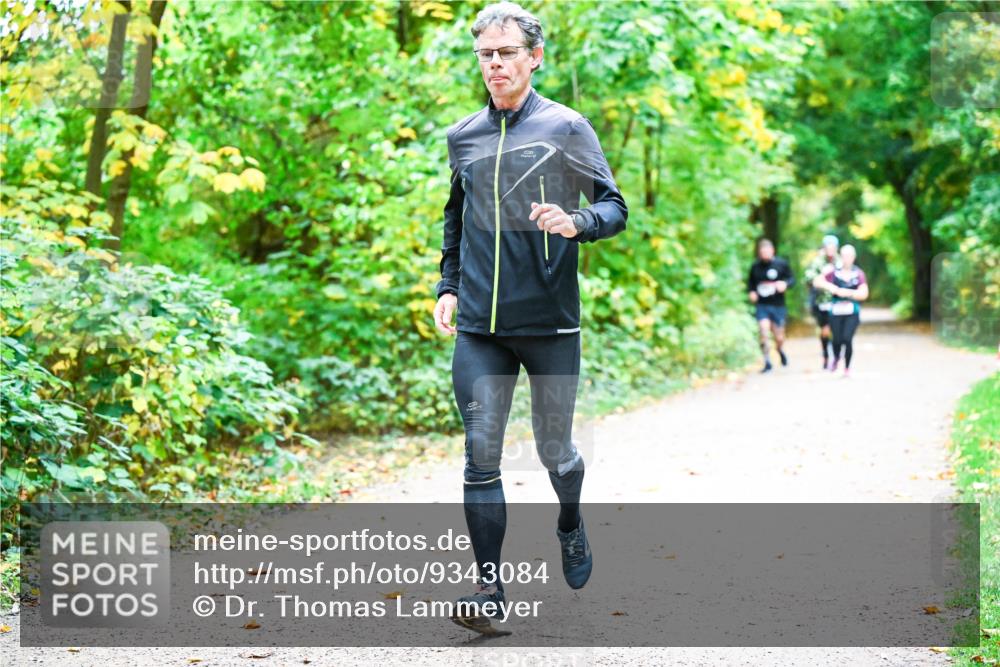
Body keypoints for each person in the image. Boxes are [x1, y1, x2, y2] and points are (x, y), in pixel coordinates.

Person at [431, 2, 627, 634]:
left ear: (534, 56)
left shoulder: (567, 128)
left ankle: (569, 521)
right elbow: (454, 218)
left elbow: (615, 207)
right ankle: (490, 597)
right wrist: (448, 285)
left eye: (507, 52)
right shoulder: (464, 135)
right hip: (480, 330)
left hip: (548, 324)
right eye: (485, 54)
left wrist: (578, 223)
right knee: (480, 454)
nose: (495, 64)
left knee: (553, 451)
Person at [812, 244, 869, 377]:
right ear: (840, 257)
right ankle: (836, 357)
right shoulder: (833, 272)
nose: (847, 259)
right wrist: (831, 288)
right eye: (844, 256)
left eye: (849, 256)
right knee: (837, 340)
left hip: (851, 312)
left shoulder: (858, 273)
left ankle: (847, 368)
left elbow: (864, 293)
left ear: (854, 257)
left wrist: (848, 292)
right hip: (835, 312)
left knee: (847, 339)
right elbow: (816, 281)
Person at [746, 238, 795, 373]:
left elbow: (792, 279)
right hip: (762, 306)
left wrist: (785, 284)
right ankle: (767, 361)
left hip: (778, 305)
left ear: (772, 251)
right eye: (762, 251)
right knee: (763, 331)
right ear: (759, 253)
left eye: (767, 251)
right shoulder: (755, 266)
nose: (765, 253)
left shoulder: (781, 264)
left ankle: (780, 349)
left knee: (779, 336)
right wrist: (752, 292)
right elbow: (750, 283)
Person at [803, 234, 841, 369]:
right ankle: (826, 353)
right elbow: (808, 280)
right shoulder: (817, 262)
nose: (830, 249)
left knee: (837, 330)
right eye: (828, 247)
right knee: (825, 331)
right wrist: (823, 274)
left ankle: (835, 353)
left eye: (833, 247)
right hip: (821, 301)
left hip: (838, 302)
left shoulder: (841, 262)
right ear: (824, 248)